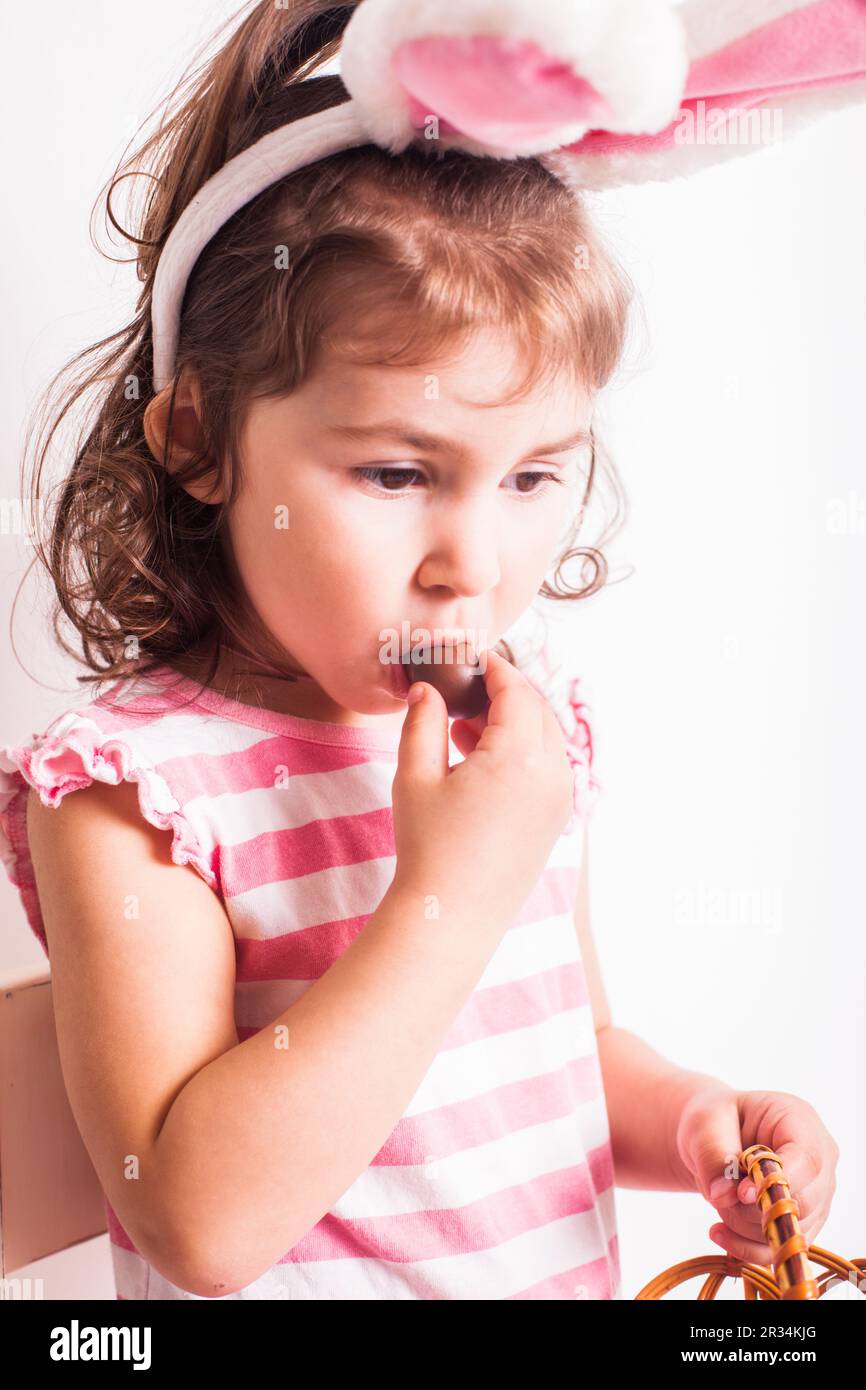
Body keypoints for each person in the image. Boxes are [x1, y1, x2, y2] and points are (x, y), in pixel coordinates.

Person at [0, 1, 838, 1300]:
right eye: (397, 471)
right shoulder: (134, 793)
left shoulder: (513, 742)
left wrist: (689, 1120)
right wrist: (448, 891)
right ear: (200, 439)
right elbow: (199, 1222)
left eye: (532, 477)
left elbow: (563, 1046)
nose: (473, 562)